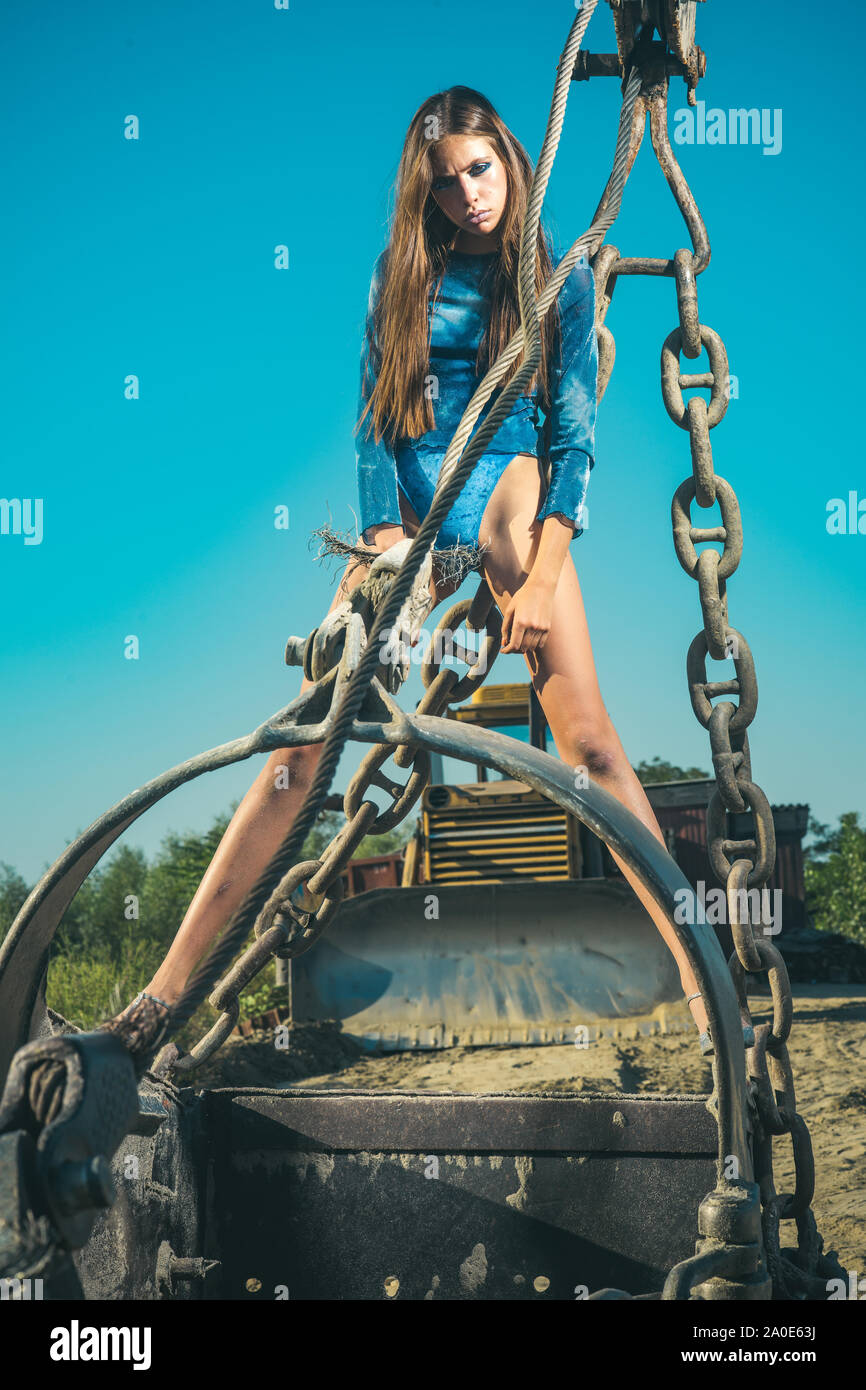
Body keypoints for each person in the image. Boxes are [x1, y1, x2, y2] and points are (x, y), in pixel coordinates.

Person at [112, 85, 713, 1052]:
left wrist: (546, 572)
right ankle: (158, 999)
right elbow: (373, 428)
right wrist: (390, 555)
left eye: (483, 169)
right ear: (422, 193)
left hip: (516, 497)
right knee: (298, 753)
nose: (471, 194)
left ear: (513, 160)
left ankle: (702, 980)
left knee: (592, 749)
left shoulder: (560, 278)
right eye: (447, 182)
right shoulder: (401, 277)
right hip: (412, 522)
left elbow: (572, 445)